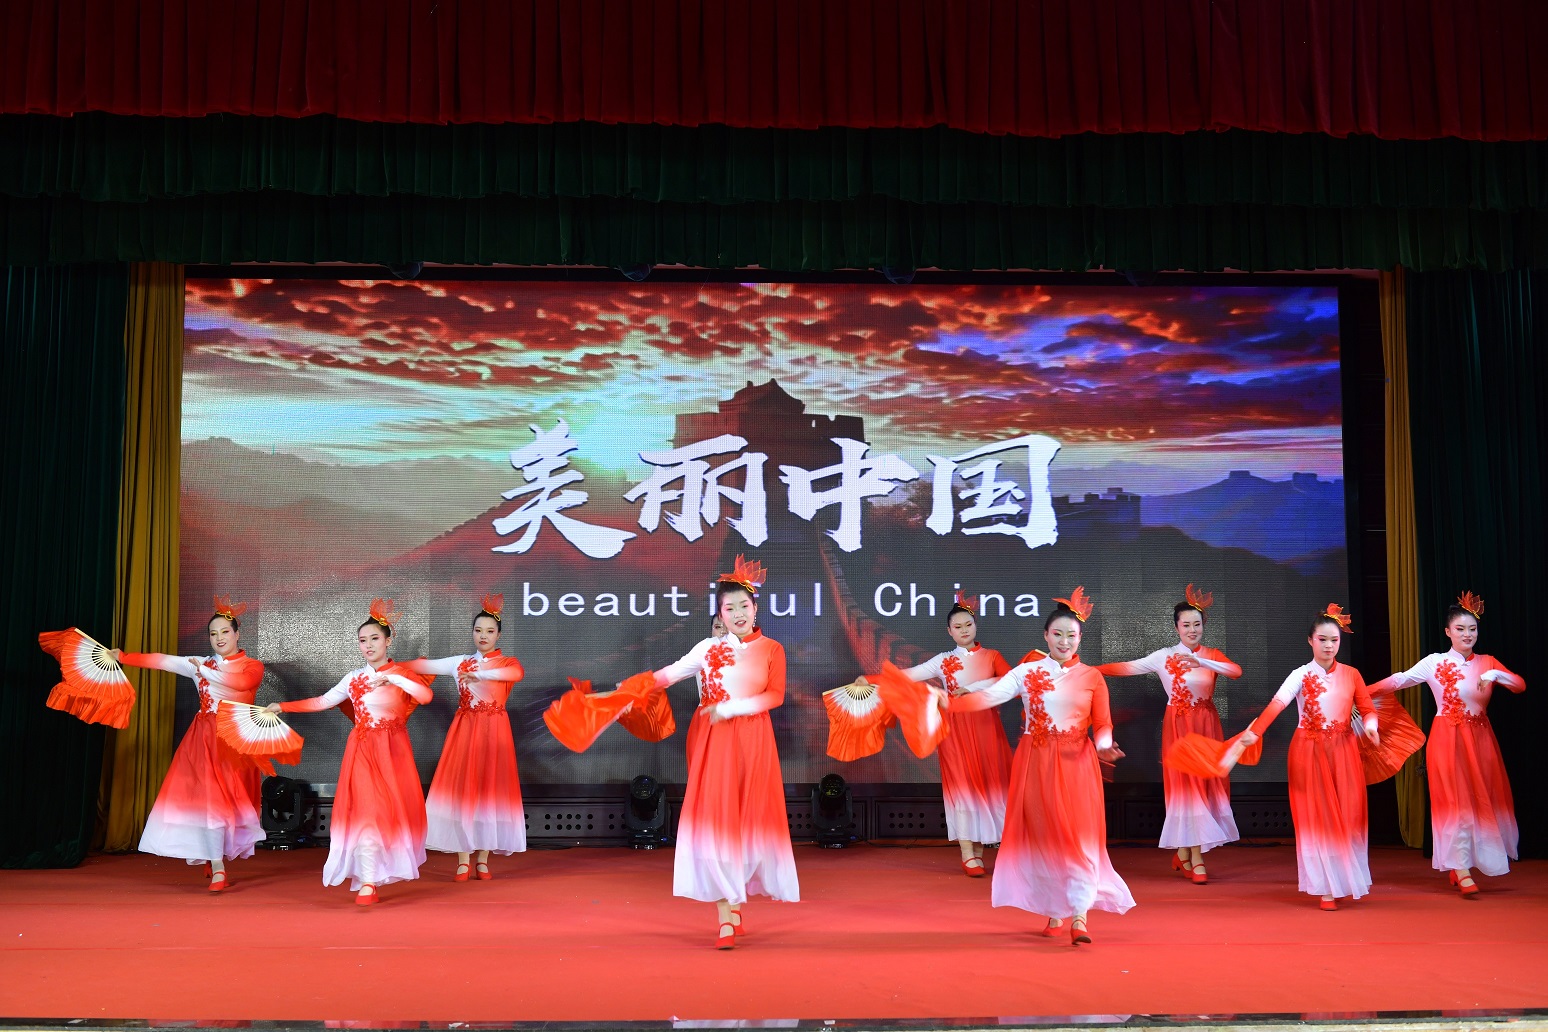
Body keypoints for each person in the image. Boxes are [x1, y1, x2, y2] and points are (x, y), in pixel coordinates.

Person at [950, 588, 1132, 945]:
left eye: (1071, 635)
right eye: (1058, 634)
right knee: (1047, 837)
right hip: (1036, 764)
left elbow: (1103, 724)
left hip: (1077, 764)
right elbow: (990, 696)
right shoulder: (1027, 671)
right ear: (1046, 636)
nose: (1065, 641)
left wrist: (1105, 746)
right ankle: (1054, 909)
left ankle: (1079, 915)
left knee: (1078, 837)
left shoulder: (1091, 677)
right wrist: (949, 704)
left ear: (1080, 638)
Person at [647, 555, 799, 949]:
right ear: (720, 615)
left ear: (755, 608)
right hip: (716, 744)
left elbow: (775, 696)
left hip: (754, 742)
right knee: (716, 823)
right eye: (728, 609)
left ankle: (735, 900)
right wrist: (629, 690)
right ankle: (725, 918)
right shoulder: (706, 648)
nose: (737, 614)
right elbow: (668, 675)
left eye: (743, 606)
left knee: (747, 823)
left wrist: (730, 709)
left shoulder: (772, 649)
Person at [269, 599, 434, 905]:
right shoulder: (354, 678)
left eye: (374, 638)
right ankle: (368, 880)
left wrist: (394, 678)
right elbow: (322, 701)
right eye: (362, 640)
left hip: (393, 753)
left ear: (388, 640)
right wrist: (283, 706)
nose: (368, 645)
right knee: (366, 811)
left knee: (388, 813)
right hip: (362, 752)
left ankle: (380, 870)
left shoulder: (402, 675)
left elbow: (425, 696)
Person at [1222, 604, 1379, 910]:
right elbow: (1278, 703)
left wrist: (1371, 726)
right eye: (1322, 639)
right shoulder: (1301, 674)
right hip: (1309, 752)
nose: (1329, 645)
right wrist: (1257, 731)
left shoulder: (1351, 674)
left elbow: (1368, 709)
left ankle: (1343, 880)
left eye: (1334, 640)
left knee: (1348, 815)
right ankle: (1326, 887)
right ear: (1310, 640)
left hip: (1344, 752)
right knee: (1317, 818)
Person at [1369, 592, 1526, 896]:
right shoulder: (1434, 662)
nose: (1467, 635)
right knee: (1454, 803)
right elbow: (1399, 680)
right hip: (1447, 739)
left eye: (1472, 629)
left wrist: (1495, 674)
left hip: (1481, 740)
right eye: (1460, 629)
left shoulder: (1487, 662)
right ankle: (1461, 868)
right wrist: (1360, 692)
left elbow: (1519, 685)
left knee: (1480, 800)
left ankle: (1464, 864)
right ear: (1447, 632)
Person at [114, 596, 266, 892]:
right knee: (211, 801)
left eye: (225, 632)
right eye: (213, 633)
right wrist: (123, 656)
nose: (219, 638)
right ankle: (218, 867)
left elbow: (240, 685)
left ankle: (213, 854)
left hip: (236, 739)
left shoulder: (252, 666)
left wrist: (204, 671)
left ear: (237, 634)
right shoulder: (199, 662)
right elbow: (162, 661)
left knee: (233, 803)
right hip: (204, 740)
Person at [858, 591, 1012, 876]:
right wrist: (869, 679)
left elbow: (1010, 681)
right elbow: (906, 675)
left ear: (975, 625)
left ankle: (982, 852)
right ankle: (967, 854)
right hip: (954, 729)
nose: (964, 630)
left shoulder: (992, 656)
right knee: (961, 787)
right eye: (958, 627)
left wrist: (974, 688)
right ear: (949, 631)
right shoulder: (943, 660)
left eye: (968, 625)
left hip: (986, 727)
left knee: (988, 785)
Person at [1096, 584, 1241, 884]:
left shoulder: (1211, 654)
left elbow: (1235, 671)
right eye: (1186, 625)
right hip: (1179, 730)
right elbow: (1126, 667)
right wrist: (1087, 669)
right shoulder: (1164, 656)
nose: (1192, 630)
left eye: (1197, 624)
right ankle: (1196, 859)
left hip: (1207, 728)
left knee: (1203, 788)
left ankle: (1184, 854)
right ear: (1176, 628)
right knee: (1187, 790)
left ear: (1203, 626)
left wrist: (1202, 662)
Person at [403, 594, 526, 882]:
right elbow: (422, 667)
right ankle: (463, 859)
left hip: (495, 733)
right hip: (466, 731)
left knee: (489, 792)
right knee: (463, 792)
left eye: (489, 631)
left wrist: (481, 674)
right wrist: (387, 663)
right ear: (472, 632)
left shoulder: (507, 662)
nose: (483, 636)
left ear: (498, 635)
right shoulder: (460, 662)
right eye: (478, 630)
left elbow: (516, 674)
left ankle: (482, 859)